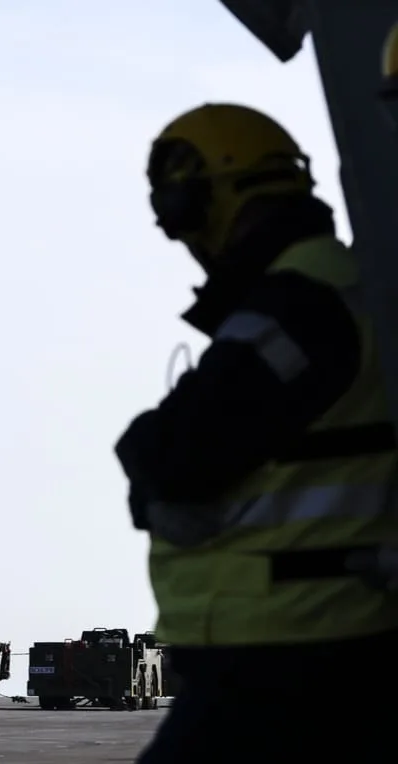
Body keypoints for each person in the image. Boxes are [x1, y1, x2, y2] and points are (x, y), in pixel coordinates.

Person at [116, 102, 398, 762]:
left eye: (181, 215)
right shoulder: (345, 286)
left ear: (213, 196)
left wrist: (147, 470)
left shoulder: (301, 302)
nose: (184, 240)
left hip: (289, 652)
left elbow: (175, 451)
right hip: (329, 641)